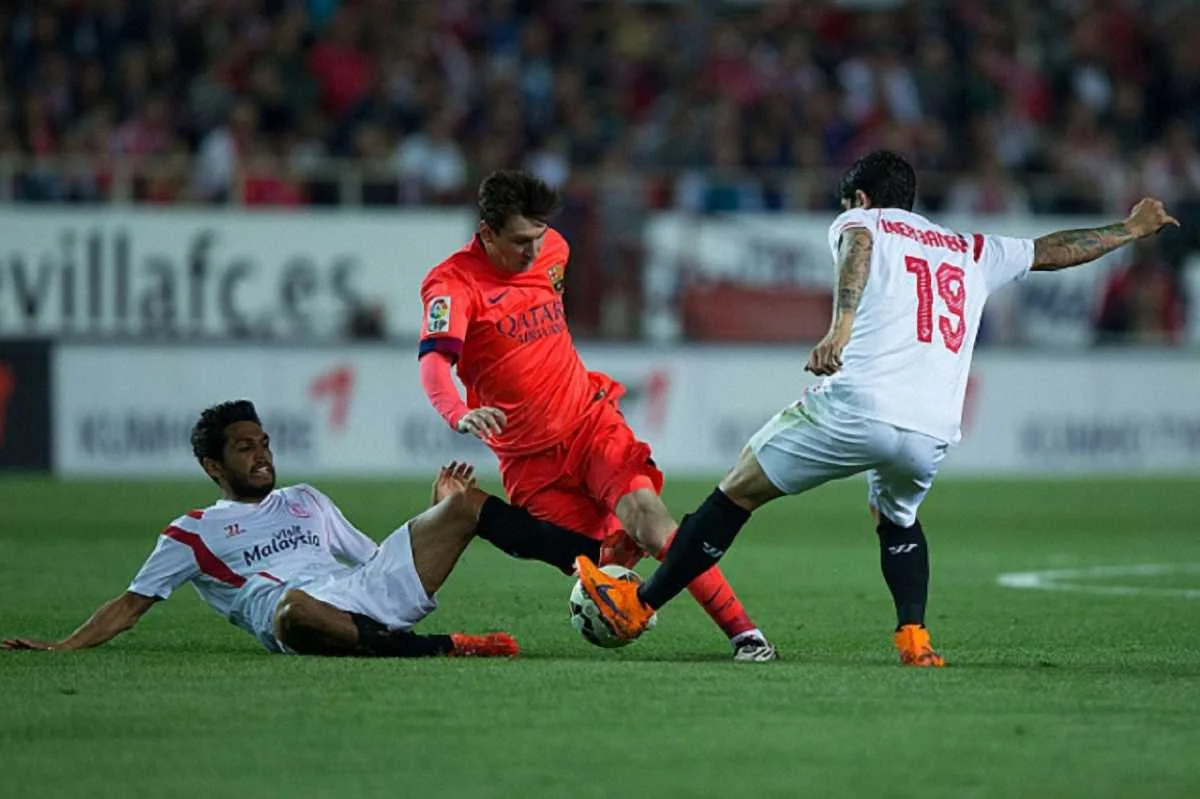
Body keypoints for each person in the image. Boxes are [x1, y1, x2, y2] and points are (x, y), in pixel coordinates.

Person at [575, 150, 1179, 666]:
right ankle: (914, 638)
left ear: (861, 197)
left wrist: (840, 329)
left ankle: (639, 604)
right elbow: (1052, 250)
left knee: (736, 491)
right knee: (897, 519)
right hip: (933, 426)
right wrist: (1128, 229)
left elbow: (859, 241)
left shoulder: (862, 223)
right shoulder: (971, 247)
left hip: (858, 405)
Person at [418, 169, 777, 662]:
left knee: (649, 520)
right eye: (520, 241)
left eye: (537, 237)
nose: (531, 250)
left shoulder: (554, 251)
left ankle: (745, 635)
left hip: (589, 423)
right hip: (528, 461)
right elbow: (435, 362)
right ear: (486, 233)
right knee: (593, 558)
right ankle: (620, 588)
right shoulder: (453, 285)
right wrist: (458, 413)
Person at [2, 400, 523, 658]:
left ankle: (576, 553)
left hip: (360, 596)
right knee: (294, 606)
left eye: (264, 443)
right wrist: (61, 648)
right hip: (301, 618)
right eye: (244, 448)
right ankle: (441, 646)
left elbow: (376, 560)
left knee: (462, 508)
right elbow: (130, 605)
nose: (262, 456)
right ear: (213, 465)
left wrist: (432, 513)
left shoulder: (305, 499)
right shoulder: (192, 533)